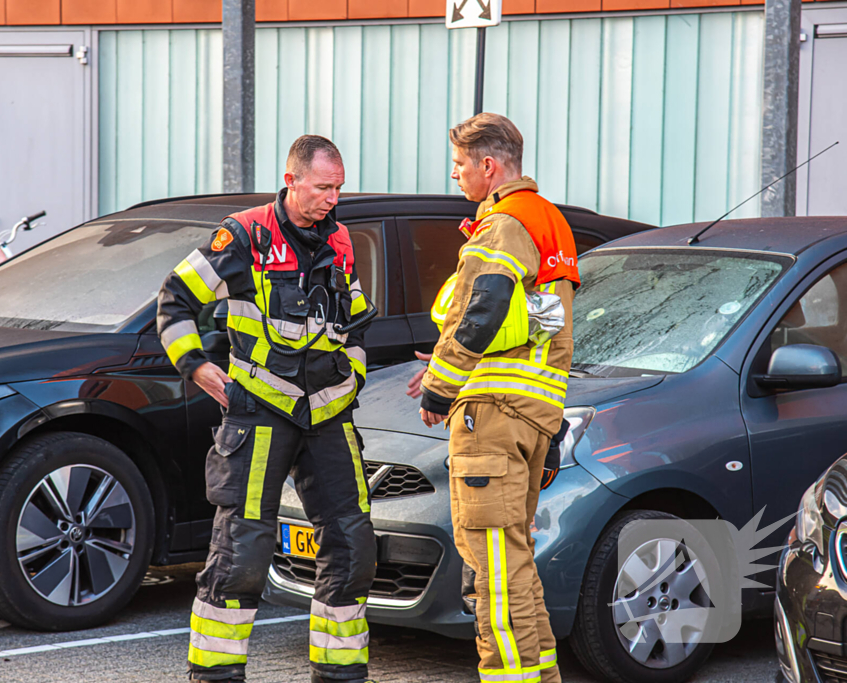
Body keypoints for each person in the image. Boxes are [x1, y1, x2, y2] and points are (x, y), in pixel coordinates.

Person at [157, 135, 378, 683]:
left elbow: (352, 317)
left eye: (339, 188)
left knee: (353, 545)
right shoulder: (244, 234)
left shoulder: (341, 239)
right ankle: (215, 675)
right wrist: (198, 367)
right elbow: (175, 299)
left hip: (328, 414)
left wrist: (353, 375)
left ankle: (341, 674)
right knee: (241, 552)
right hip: (258, 412)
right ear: (292, 181)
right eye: (324, 187)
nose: (333, 198)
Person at [406, 113, 579, 683]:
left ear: (489, 166)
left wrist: (439, 382)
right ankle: (539, 675)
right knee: (516, 564)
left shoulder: (504, 223)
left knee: (493, 573)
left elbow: (479, 308)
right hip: (532, 413)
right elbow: (541, 328)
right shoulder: (550, 219)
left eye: (460, 166)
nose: (455, 176)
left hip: (491, 416)